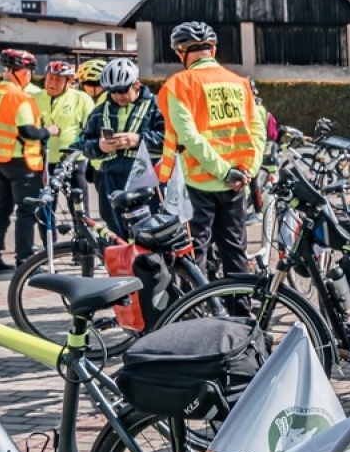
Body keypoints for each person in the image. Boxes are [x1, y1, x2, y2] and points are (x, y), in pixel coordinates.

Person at [157, 21, 261, 278]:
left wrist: (223, 171)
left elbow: (189, 136)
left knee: (195, 254)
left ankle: (199, 313)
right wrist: (246, 170)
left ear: (181, 53)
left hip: (198, 184)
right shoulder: (240, 83)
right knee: (235, 252)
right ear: (213, 50)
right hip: (237, 184)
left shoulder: (178, 84)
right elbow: (258, 131)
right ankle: (242, 314)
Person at [0, 49, 48, 274]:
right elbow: (28, 132)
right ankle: (25, 262)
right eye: (29, 71)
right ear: (19, 72)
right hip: (20, 162)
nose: (30, 76)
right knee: (27, 210)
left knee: (0, 209)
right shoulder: (19, 97)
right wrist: (48, 131)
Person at [79, 59, 165, 237]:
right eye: (112, 91)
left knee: (150, 234)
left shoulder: (157, 106)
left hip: (147, 181)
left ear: (136, 84)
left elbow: (172, 140)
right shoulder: (99, 111)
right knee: (118, 235)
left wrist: (139, 140)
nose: (117, 96)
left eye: (122, 90)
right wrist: (99, 146)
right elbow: (83, 143)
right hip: (111, 180)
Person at [34, 60, 96, 171]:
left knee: (79, 188)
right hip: (41, 158)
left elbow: (92, 129)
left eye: (58, 80)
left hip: (73, 159)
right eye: (50, 78)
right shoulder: (34, 98)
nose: (52, 83)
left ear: (69, 82)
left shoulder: (82, 99)